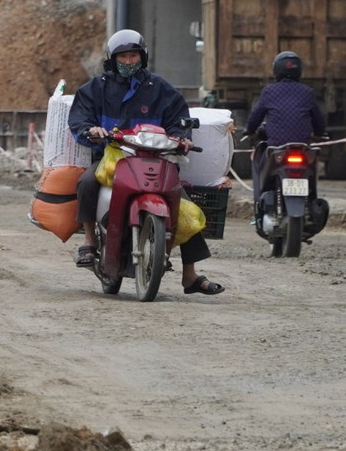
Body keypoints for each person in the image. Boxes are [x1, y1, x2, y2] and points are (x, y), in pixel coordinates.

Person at [67, 29, 225, 295]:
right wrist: (91, 130)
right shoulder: (96, 88)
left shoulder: (160, 89)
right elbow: (79, 118)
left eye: (133, 56)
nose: (129, 62)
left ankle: (190, 275)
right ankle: (89, 242)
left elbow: (179, 120)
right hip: (112, 158)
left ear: (143, 57)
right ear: (112, 59)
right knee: (86, 182)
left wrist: (182, 136)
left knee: (185, 205)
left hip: (155, 158)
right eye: (123, 57)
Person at [245, 50, 328, 229]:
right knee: (312, 176)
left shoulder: (269, 91)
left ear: (276, 70)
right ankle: (310, 202)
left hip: (277, 149)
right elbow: (318, 119)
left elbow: (255, 117)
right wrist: (320, 133)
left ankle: (259, 207)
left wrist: (250, 131)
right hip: (303, 148)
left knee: (258, 166)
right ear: (300, 71)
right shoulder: (307, 92)